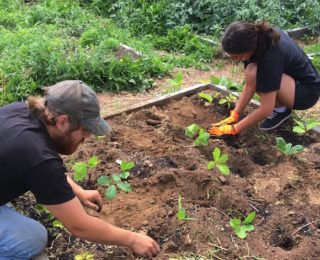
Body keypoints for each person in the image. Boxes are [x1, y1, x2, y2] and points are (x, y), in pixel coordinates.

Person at [0, 80, 160, 259]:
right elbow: (78, 225)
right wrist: (133, 239)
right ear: (62, 122)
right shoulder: (37, 155)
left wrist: (78, 192)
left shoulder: (20, 111)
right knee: (31, 238)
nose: (88, 136)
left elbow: (40, 166)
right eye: (84, 129)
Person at [208, 20, 320, 136]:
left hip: (306, 92)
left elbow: (266, 109)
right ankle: (281, 108)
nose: (233, 60)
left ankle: (281, 110)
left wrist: (234, 129)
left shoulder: (270, 58)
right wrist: (235, 114)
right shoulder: (258, 40)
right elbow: (249, 85)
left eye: (235, 57)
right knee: (252, 72)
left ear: (247, 49)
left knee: (256, 74)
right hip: (291, 82)